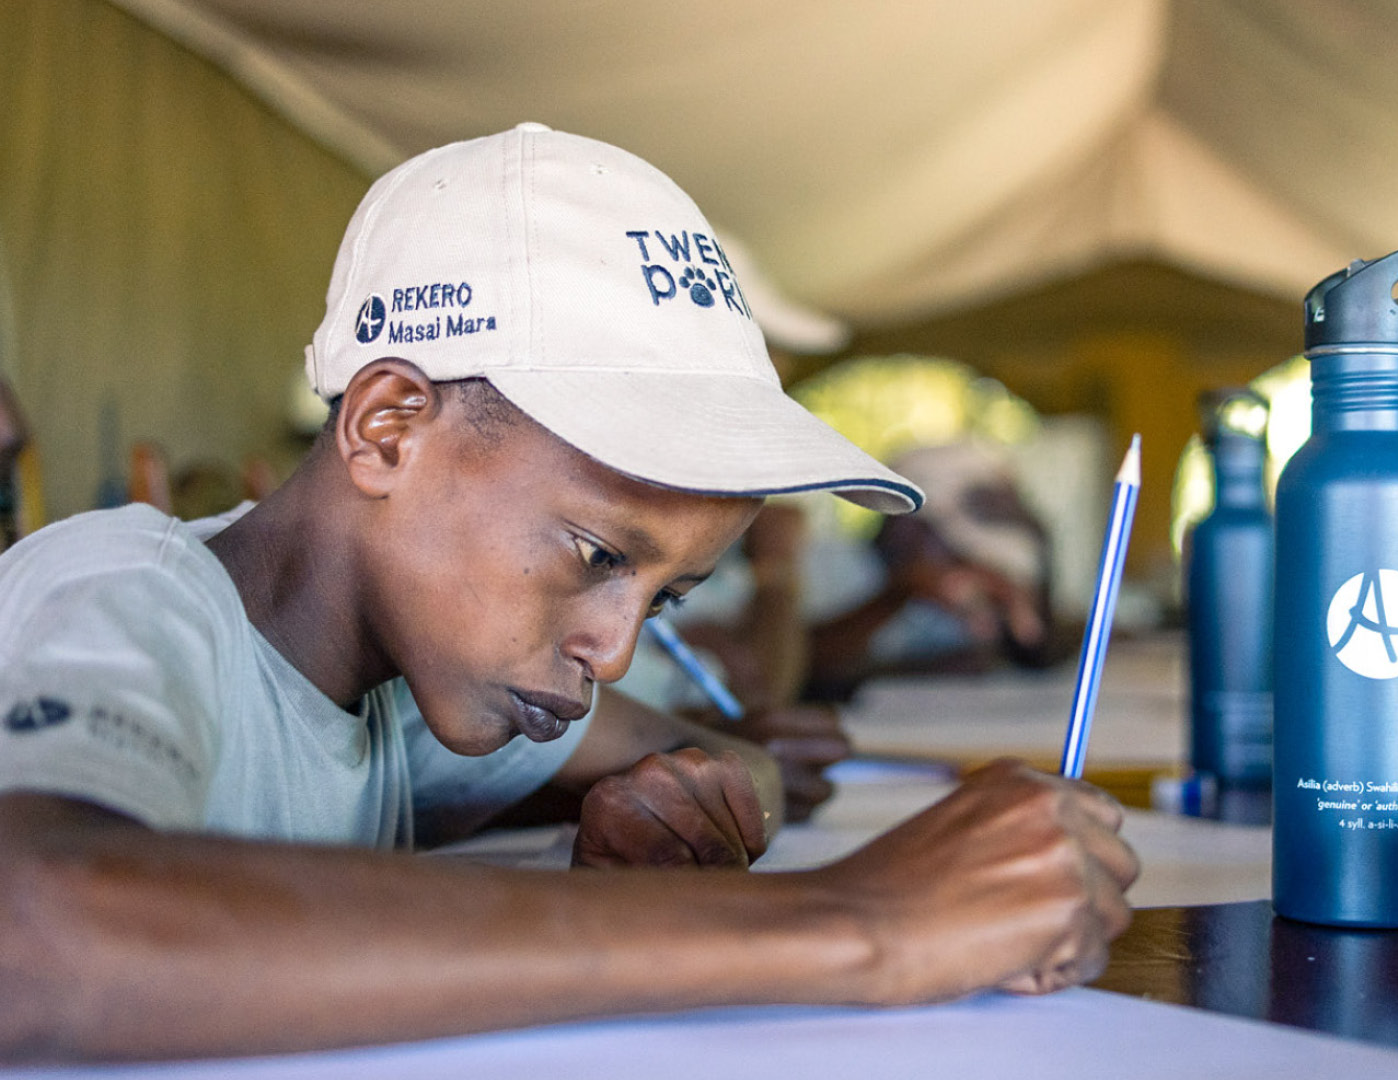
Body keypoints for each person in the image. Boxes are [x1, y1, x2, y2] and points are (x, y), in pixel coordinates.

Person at [0, 124, 1137, 1062]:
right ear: (389, 427)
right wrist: (861, 922)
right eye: (598, 556)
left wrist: (684, 801)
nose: (614, 652)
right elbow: (35, 934)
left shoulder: (409, 679)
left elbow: (727, 757)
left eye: (668, 597)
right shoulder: (124, 598)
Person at [805, 440, 1056, 701]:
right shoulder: (835, 564)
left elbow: (1034, 642)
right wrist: (898, 594)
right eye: (989, 507)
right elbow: (805, 668)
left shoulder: (1003, 569)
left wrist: (1022, 601)